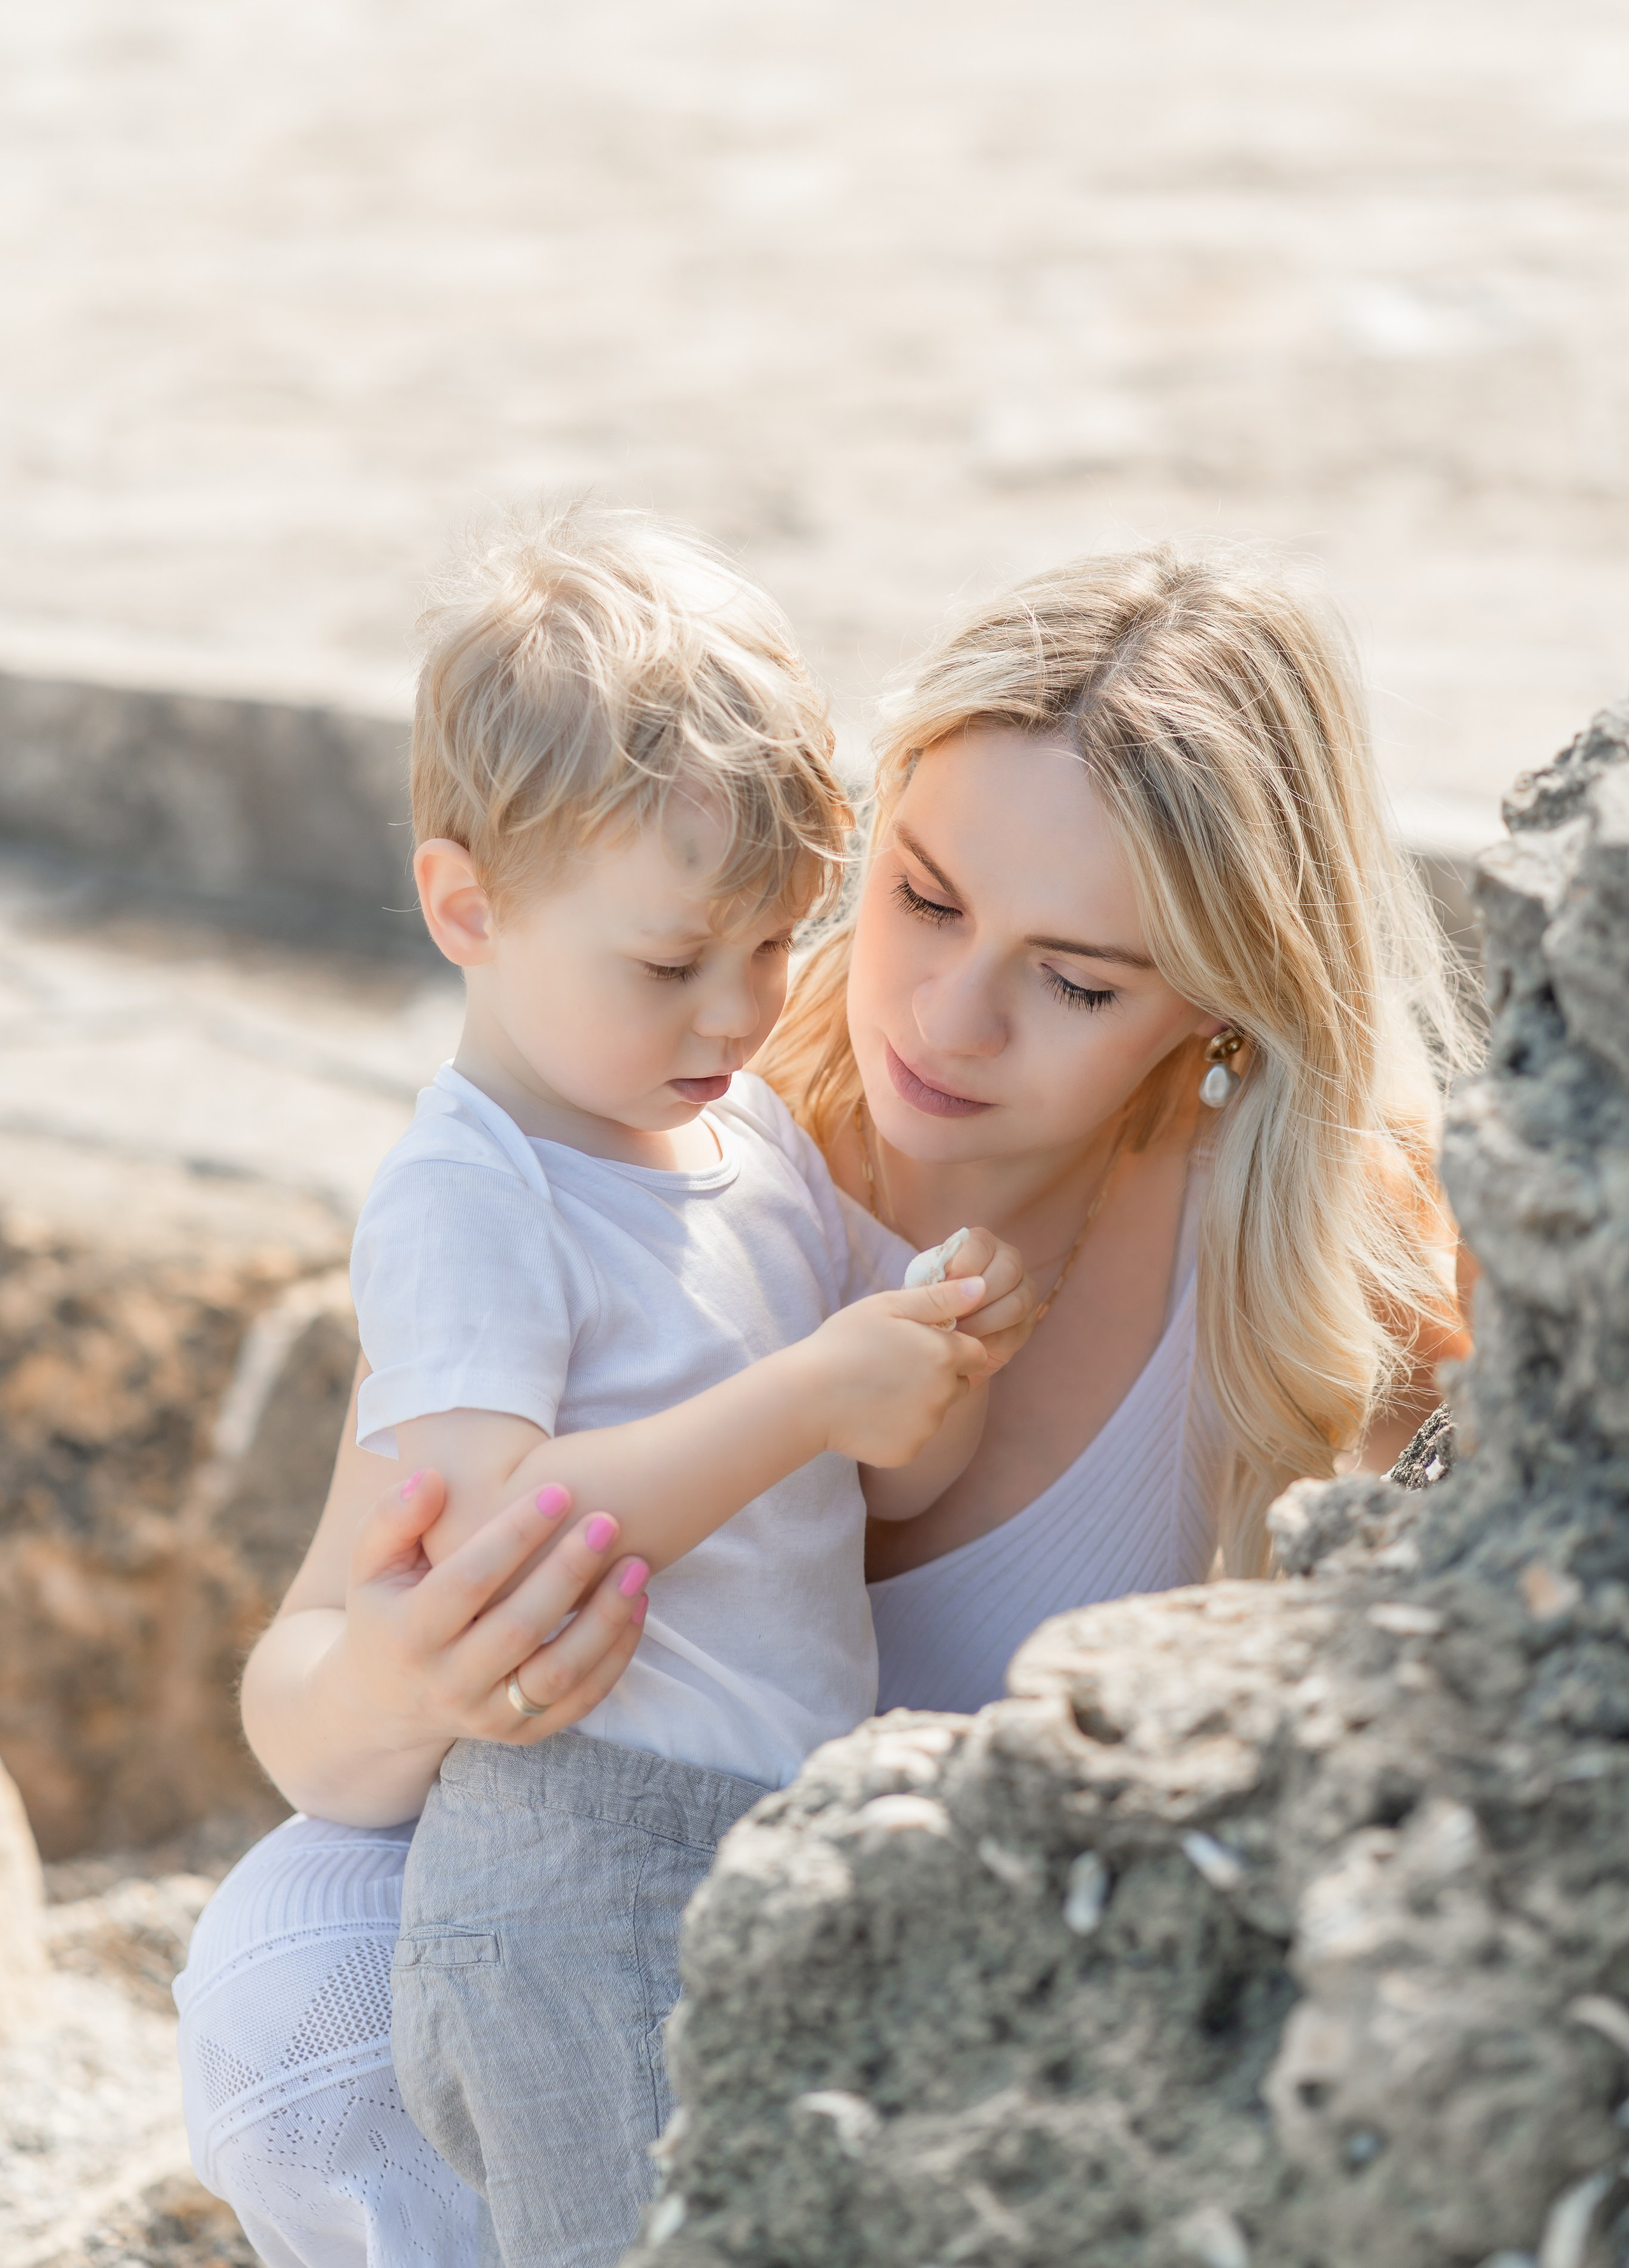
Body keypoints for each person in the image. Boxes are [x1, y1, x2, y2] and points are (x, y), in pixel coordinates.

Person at [176, 539, 1471, 2268]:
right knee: (302, 1949)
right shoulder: (659, 1139)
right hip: (583, 1924)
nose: (942, 1017)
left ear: (1225, 1007)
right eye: (919, 896)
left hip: (997, 2035)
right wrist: (407, 1684)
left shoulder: (1312, 1274)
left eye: (1078, 982)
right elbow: (304, 1687)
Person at [212, 500, 1031, 2268]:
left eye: (777, 947)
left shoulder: (739, 1133)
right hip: (577, 1862)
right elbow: (501, 1536)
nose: (740, 1012)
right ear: (466, 905)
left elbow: (863, 1488)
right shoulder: (470, 1190)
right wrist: (816, 1392)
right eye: (672, 962)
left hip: (779, 1815)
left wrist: (932, 1343)